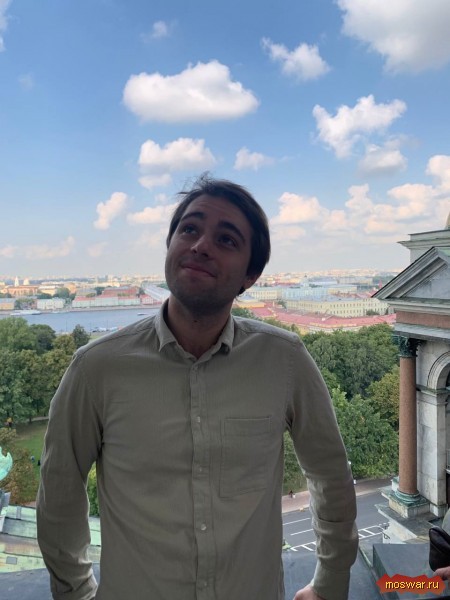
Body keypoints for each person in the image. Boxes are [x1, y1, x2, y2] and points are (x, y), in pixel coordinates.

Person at [37, 175, 358, 600]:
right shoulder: (96, 368)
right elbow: (60, 493)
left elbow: (330, 476)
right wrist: (75, 593)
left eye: (226, 239)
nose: (201, 245)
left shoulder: (284, 360)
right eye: (189, 229)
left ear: (250, 275)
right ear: (170, 246)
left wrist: (331, 584)